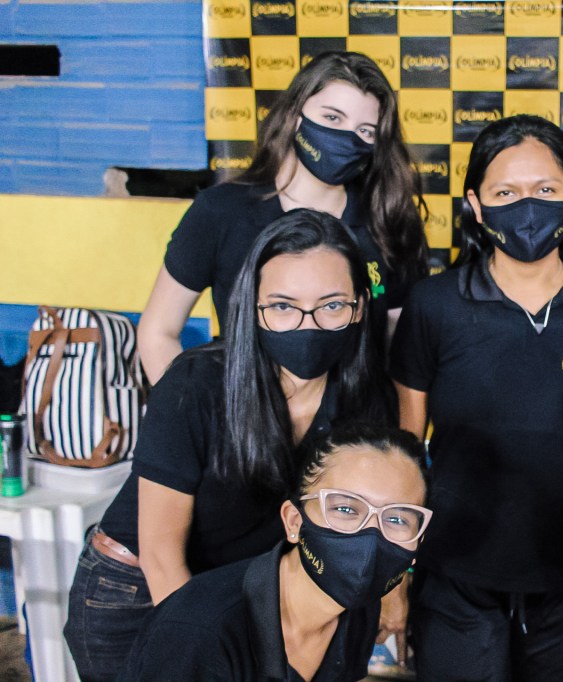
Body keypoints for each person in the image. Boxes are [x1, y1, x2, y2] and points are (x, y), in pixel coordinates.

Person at [64, 209, 395, 682]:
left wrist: (391, 590)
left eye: (332, 305)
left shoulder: (365, 399)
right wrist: (206, 645)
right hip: (135, 591)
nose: (308, 324)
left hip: (238, 592)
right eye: (283, 306)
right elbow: (161, 554)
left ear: (360, 306)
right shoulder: (195, 385)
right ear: (252, 307)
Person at [389, 115, 563, 681]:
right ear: (475, 204)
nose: (528, 207)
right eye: (505, 193)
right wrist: (393, 576)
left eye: (545, 189)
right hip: (455, 576)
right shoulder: (434, 306)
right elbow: (403, 451)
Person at [138, 50, 428, 382]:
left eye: (366, 131)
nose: (348, 138)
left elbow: (400, 348)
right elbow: (158, 332)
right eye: (333, 118)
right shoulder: (221, 211)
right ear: (294, 114)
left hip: (356, 414)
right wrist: (189, 410)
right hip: (246, 411)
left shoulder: (388, 218)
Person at [116, 422, 432, 682]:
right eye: (346, 509)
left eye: (397, 519)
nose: (371, 535)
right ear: (294, 521)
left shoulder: (360, 611)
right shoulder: (200, 634)